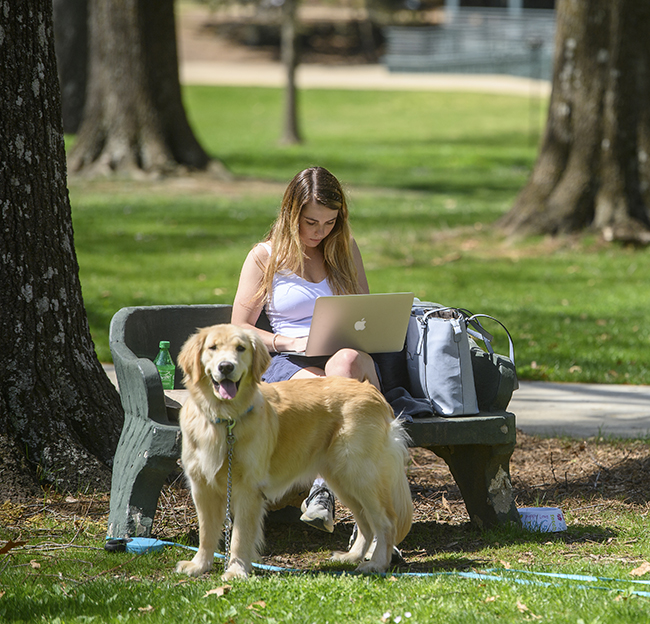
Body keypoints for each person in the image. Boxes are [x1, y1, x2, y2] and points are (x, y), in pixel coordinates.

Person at [231, 166, 381, 533]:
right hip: (288, 357)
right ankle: (354, 511)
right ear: (290, 213)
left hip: (344, 354)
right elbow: (239, 328)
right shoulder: (264, 257)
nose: (319, 232)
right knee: (325, 392)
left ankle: (322, 493)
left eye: (330, 223)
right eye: (311, 222)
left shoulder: (343, 249)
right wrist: (287, 341)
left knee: (344, 364)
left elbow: (363, 314)